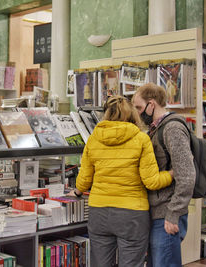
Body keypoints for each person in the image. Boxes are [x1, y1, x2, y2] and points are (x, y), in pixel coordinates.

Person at [70, 96, 173, 267]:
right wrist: (171, 173)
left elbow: (84, 181)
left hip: (99, 212)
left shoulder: (94, 138)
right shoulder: (141, 139)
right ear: (133, 115)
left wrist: (76, 192)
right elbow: (152, 181)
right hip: (132, 214)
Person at [132, 82, 196, 267]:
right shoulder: (156, 128)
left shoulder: (172, 129)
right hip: (158, 212)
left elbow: (186, 174)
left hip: (167, 213)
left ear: (152, 104)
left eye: (139, 107)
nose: (138, 112)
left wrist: (174, 213)